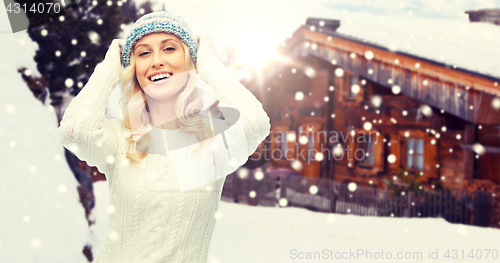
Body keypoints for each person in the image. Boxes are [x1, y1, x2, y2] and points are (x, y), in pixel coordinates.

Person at [57, 11, 271, 263]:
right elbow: (74, 132)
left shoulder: (210, 139)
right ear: (134, 67)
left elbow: (255, 123)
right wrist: (108, 71)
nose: (156, 61)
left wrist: (209, 65)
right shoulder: (121, 137)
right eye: (144, 53)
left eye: (169, 48)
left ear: (189, 60)